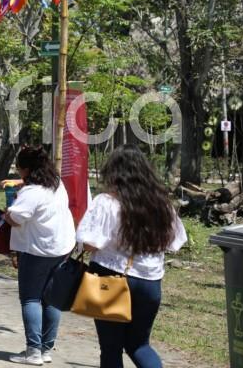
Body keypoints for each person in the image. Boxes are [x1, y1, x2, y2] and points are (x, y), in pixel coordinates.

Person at [76, 145, 187, 367]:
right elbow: (176, 242)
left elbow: (89, 244)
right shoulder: (162, 204)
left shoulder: (107, 202)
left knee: (111, 348)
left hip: (110, 279)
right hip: (150, 282)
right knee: (139, 345)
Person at [4, 145, 76, 365]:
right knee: (52, 300)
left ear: (25, 169)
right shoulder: (57, 185)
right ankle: (46, 349)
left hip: (37, 251)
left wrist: (6, 214)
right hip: (62, 248)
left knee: (31, 299)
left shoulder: (31, 192)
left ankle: (33, 352)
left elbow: (16, 218)